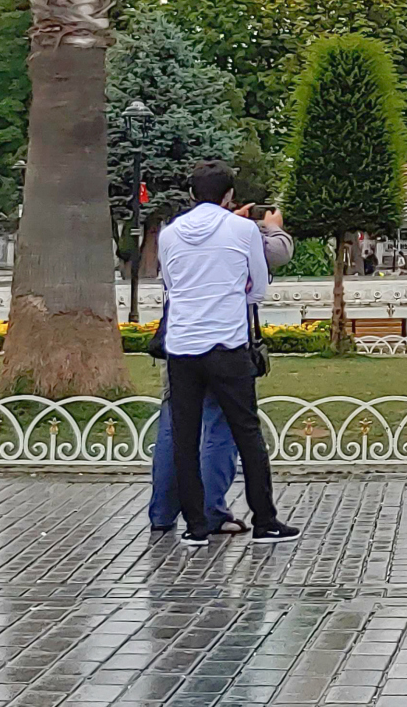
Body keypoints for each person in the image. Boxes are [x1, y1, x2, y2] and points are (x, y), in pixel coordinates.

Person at [157, 161, 297, 545]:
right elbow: (256, 286)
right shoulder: (242, 229)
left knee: (185, 436)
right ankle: (265, 520)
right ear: (229, 196)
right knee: (246, 431)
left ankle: (197, 526)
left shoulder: (170, 233)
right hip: (227, 344)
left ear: (190, 194)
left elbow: (170, 283)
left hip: (182, 345)